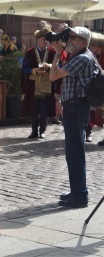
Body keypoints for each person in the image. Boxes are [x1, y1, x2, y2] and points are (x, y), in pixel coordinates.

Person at [48, 26, 98, 208]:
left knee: (75, 152)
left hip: (76, 108)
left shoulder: (82, 58)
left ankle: (80, 195)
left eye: (74, 38)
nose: (70, 40)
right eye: (70, 37)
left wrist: (56, 54)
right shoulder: (82, 56)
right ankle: (76, 191)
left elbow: (53, 76)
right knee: (73, 152)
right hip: (74, 107)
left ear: (84, 42)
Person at [21, 23, 58, 139]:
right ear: (37, 40)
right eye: (43, 39)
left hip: (48, 84)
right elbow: (24, 68)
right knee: (33, 108)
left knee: (45, 108)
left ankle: (43, 130)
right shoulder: (30, 52)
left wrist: (50, 66)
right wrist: (35, 70)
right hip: (33, 83)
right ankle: (34, 130)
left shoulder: (52, 52)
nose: (46, 41)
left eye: (47, 40)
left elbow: (59, 65)